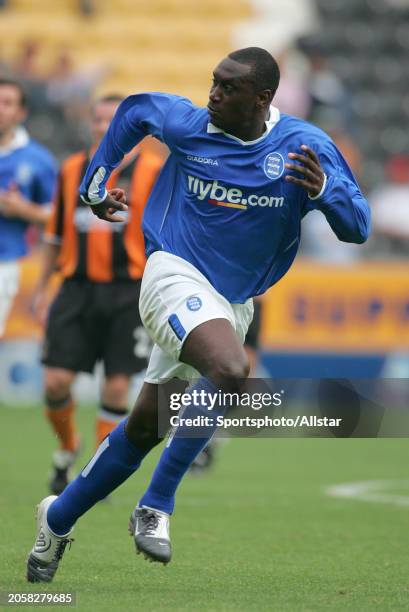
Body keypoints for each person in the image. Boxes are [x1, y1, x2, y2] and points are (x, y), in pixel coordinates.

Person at [26, 47, 370, 582]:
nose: (212, 94)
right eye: (213, 82)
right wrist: (97, 179)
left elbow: (358, 227)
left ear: (262, 99)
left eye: (227, 89)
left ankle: (57, 520)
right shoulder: (190, 124)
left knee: (144, 428)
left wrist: (326, 193)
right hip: (170, 274)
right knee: (232, 371)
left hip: (231, 303)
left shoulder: (305, 147)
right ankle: (157, 505)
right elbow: (135, 109)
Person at [31, 94, 163, 494]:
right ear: (91, 124)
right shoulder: (72, 170)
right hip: (77, 289)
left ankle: (96, 469)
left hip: (129, 292)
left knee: (119, 386)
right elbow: (55, 234)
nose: (104, 128)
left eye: (113, 121)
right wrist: (41, 287)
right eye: (99, 120)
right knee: (55, 381)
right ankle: (69, 446)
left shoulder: (155, 171)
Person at [0, 78, 56, 338]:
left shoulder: (38, 160)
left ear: (21, 112)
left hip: (5, 261)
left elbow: (58, 217)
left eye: (7, 103)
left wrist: (23, 209)